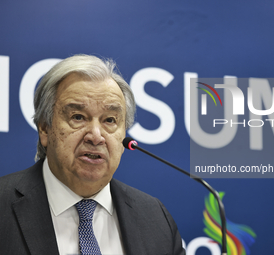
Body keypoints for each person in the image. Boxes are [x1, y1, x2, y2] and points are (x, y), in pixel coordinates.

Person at [0, 54, 186, 255]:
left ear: (124, 135)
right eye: (78, 117)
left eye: (110, 120)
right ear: (45, 128)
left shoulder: (156, 219)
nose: (96, 137)